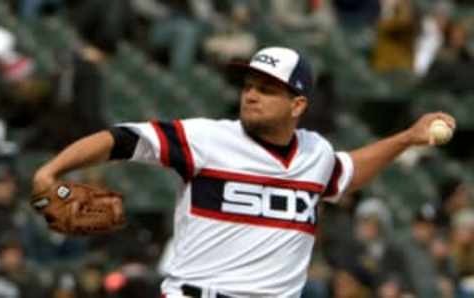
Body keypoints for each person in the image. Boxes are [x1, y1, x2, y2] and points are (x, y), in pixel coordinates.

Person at [32, 46, 456, 297]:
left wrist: (406, 138)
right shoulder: (206, 139)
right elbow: (120, 139)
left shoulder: (315, 153)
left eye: (267, 89)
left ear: (298, 105)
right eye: (249, 85)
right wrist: (52, 170)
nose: (251, 95)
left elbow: (345, 173)